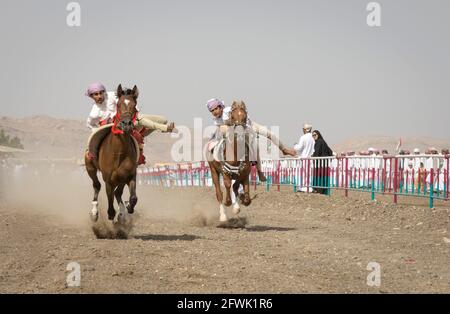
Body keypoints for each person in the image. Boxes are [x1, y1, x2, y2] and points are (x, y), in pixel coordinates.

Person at [205, 98, 296, 182]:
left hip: (249, 126)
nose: (214, 112)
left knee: (269, 134)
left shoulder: (227, 111)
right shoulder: (216, 120)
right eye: (212, 111)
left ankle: (283, 150)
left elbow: (241, 116)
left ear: (221, 107)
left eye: (216, 109)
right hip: (236, 131)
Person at [85, 83, 176, 165]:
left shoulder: (112, 95)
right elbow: (90, 124)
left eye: (101, 93)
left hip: (129, 117)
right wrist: (99, 128)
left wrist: (133, 110)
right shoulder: (94, 112)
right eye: (96, 94)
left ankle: (143, 135)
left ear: (104, 92)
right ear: (91, 96)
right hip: (116, 125)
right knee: (140, 120)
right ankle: (165, 128)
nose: (99, 96)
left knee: (163, 119)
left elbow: (127, 100)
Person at [311, 130, 333, 194]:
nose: (314, 136)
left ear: (318, 135)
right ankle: (324, 191)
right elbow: (330, 151)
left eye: (315, 135)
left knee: (319, 176)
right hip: (325, 163)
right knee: (324, 176)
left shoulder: (318, 142)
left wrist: (313, 156)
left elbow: (317, 152)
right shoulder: (323, 141)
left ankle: (318, 190)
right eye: (313, 135)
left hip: (319, 164)